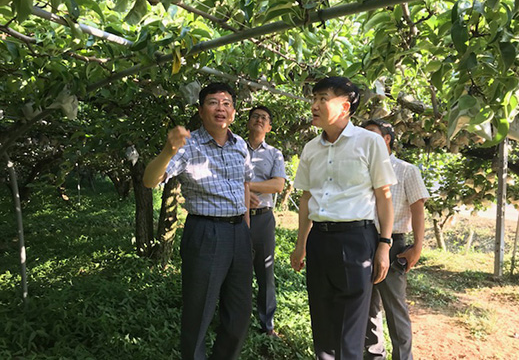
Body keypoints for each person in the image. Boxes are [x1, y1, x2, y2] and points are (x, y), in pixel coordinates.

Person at [142, 82, 253, 360]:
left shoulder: (240, 145)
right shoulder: (186, 146)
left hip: (239, 232)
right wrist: (168, 150)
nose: (221, 108)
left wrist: (246, 229)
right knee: (199, 309)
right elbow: (149, 180)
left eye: (227, 103)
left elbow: (244, 186)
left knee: (239, 312)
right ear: (201, 111)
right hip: (206, 231)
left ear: (234, 112)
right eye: (214, 102)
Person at [290, 76, 397, 360]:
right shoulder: (311, 149)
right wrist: (301, 244)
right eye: (314, 98)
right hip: (319, 241)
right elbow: (306, 198)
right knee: (322, 322)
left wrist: (384, 245)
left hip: (356, 239)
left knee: (351, 328)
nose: (314, 105)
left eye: (322, 98)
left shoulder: (370, 142)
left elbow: (384, 196)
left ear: (345, 106)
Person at [363, 119, 430, 360]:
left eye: (371, 135)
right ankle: (373, 355)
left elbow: (418, 208)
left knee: (395, 308)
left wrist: (417, 246)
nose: (366, 140)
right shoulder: (362, 169)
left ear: (387, 139)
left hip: (393, 245)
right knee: (368, 307)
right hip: (362, 241)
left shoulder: (406, 170)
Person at [246, 106, 286, 336]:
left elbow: (277, 185)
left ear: (269, 127)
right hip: (234, 218)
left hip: (262, 219)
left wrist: (246, 187)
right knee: (234, 271)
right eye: (256, 116)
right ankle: (234, 319)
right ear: (248, 122)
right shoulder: (235, 148)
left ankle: (267, 324)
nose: (260, 120)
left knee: (265, 272)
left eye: (265, 118)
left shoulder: (274, 153)